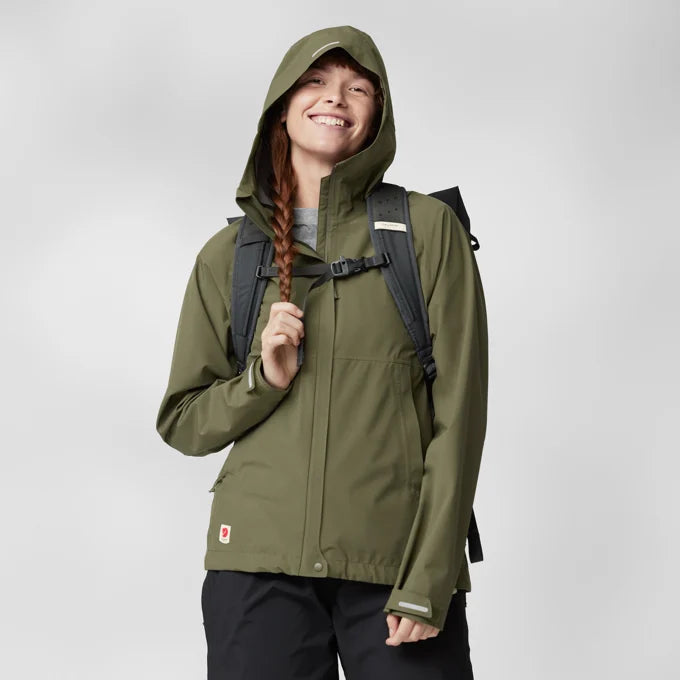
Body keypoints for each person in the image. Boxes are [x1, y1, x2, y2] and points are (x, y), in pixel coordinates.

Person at [156, 24, 488, 680]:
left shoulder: (425, 231)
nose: (335, 96)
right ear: (282, 106)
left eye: (357, 87)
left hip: (394, 567)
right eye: (315, 81)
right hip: (255, 570)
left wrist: (430, 577)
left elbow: (460, 414)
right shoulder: (229, 256)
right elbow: (184, 422)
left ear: (377, 116)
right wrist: (262, 380)